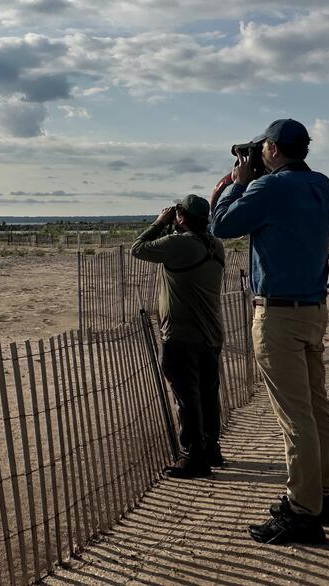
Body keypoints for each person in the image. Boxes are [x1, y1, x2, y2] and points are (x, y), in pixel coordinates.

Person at [211, 119, 329, 544]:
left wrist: (238, 183)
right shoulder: (320, 184)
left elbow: (222, 225)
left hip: (279, 315)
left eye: (262, 147)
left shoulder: (269, 189)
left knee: (295, 416)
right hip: (314, 309)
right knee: (316, 407)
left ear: (271, 148)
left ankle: (303, 512)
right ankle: (321, 494)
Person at [131, 194, 226, 478]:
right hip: (211, 333)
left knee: (187, 398)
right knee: (209, 395)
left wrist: (160, 222)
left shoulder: (179, 244)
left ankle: (194, 457)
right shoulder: (215, 243)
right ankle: (211, 448)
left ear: (181, 218)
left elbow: (138, 248)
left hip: (182, 335)